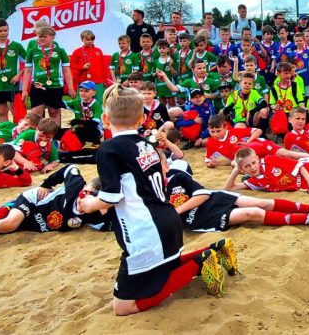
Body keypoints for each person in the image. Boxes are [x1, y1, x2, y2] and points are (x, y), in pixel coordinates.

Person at [74, 87, 234, 315]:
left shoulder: (109, 149)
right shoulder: (146, 145)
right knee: (164, 270)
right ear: (141, 119)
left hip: (145, 231)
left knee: (123, 306)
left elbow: (112, 197)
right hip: (168, 219)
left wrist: (90, 204)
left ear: (105, 119)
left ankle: (200, 263)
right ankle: (212, 251)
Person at [0, 163, 110, 257]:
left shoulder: (96, 216)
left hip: (37, 224)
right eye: (85, 192)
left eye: (92, 198)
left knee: (1, 227)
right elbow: (70, 168)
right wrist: (46, 184)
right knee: (9, 224)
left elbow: (112, 226)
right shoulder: (75, 187)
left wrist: (106, 213)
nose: (84, 198)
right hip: (34, 201)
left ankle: (3, 209)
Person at [24, 26, 75, 121]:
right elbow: (27, 71)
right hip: (38, 86)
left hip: (55, 86)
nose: (41, 39)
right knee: (36, 113)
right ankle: (37, 131)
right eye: (40, 37)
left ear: (52, 37)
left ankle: (56, 131)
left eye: (44, 36)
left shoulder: (60, 51)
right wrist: (24, 90)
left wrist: (70, 88)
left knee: (54, 112)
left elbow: (66, 70)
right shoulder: (32, 51)